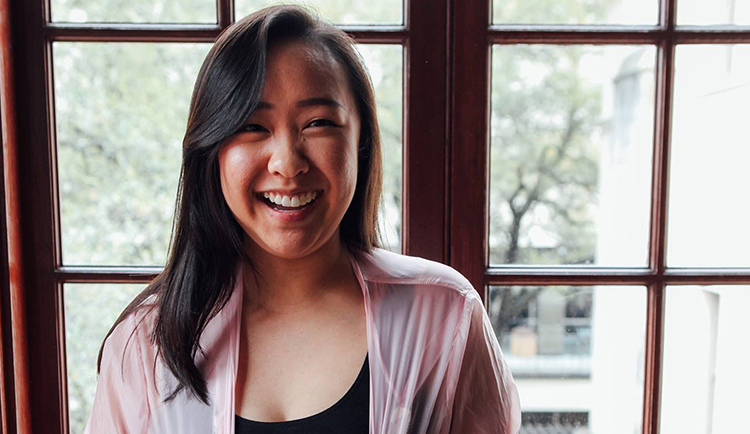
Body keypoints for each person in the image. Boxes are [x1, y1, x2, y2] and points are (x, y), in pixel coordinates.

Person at [84, 5, 521, 434]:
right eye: (252, 126)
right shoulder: (145, 344)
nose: (288, 163)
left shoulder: (443, 315)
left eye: (318, 123)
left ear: (360, 143)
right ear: (212, 151)